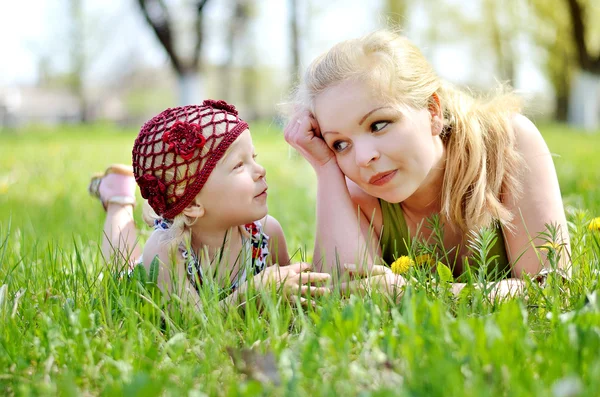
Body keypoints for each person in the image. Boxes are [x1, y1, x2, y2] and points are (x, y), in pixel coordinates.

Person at [284, 30, 570, 298]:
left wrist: (417, 294)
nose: (362, 158)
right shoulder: (358, 196)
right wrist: (325, 169)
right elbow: (343, 296)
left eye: (379, 124)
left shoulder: (508, 143)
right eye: (340, 144)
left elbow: (552, 288)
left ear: (433, 111)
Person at [89, 99, 330, 307]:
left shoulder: (266, 233)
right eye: (238, 165)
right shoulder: (165, 251)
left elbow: (293, 290)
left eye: (253, 158)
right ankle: (118, 199)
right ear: (193, 204)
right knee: (123, 263)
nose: (261, 171)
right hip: (143, 281)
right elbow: (192, 322)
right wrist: (252, 294)